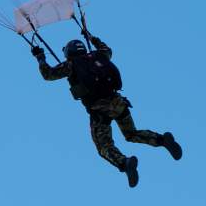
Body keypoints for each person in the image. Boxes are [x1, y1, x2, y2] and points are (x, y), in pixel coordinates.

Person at [32, 31, 182, 187]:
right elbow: (108, 50)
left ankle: (125, 163)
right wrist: (93, 39)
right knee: (131, 134)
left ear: (69, 53)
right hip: (118, 103)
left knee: (104, 147)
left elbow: (48, 74)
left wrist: (40, 57)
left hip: (99, 110)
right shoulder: (99, 56)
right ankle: (163, 140)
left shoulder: (71, 65)